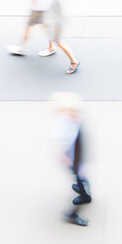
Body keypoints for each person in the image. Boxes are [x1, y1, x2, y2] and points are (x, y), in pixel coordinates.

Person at [8, 0, 81, 74]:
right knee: (44, 31)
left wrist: (33, 4)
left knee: (57, 39)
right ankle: (50, 48)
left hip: (45, 13)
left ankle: (74, 61)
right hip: (47, 12)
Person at [50, 92, 92, 226]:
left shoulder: (74, 118)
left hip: (79, 160)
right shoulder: (62, 126)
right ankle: (72, 213)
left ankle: (83, 192)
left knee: (83, 181)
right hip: (75, 162)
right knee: (83, 185)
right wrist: (70, 161)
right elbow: (57, 146)